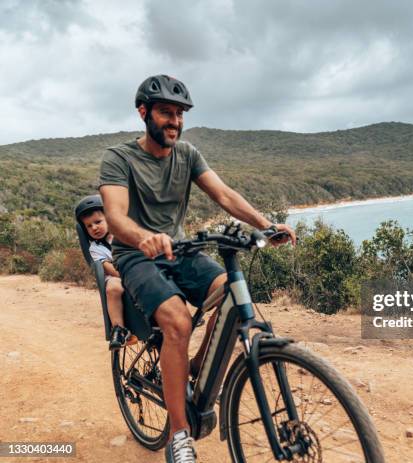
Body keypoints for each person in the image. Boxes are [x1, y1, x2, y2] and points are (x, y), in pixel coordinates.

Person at [98, 74, 296, 463]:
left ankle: (195, 367)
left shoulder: (187, 155)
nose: (174, 121)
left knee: (232, 290)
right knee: (177, 323)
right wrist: (143, 238)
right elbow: (116, 217)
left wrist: (264, 225)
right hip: (136, 256)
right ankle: (179, 434)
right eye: (166, 113)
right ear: (144, 113)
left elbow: (223, 194)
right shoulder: (118, 158)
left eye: (179, 114)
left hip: (181, 250)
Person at [75, 195, 133, 350]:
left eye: (98, 222)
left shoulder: (123, 235)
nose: (94, 227)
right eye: (89, 226)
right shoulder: (96, 248)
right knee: (114, 286)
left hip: (135, 272)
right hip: (116, 277)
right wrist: (131, 277)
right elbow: (109, 269)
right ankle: (118, 329)